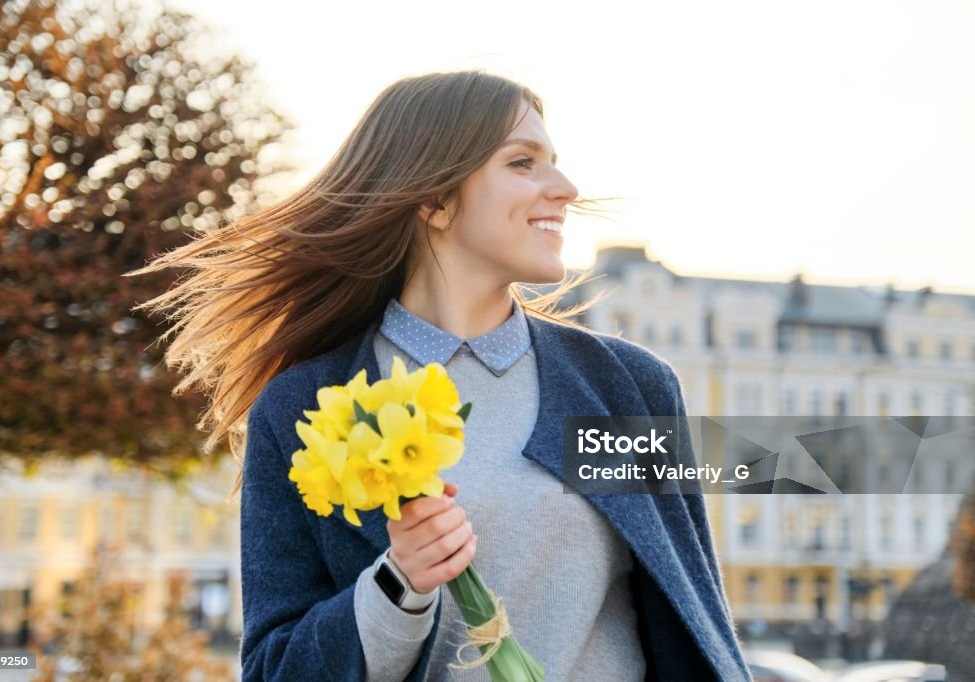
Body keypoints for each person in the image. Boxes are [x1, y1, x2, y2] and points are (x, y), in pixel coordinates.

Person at [130, 70, 751, 681]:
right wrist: (397, 585)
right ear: (433, 198)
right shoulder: (304, 408)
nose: (564, 187)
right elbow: (274, 668)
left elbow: (697, 624)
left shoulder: (629, 388)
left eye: (554, 161)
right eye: (522, 163)